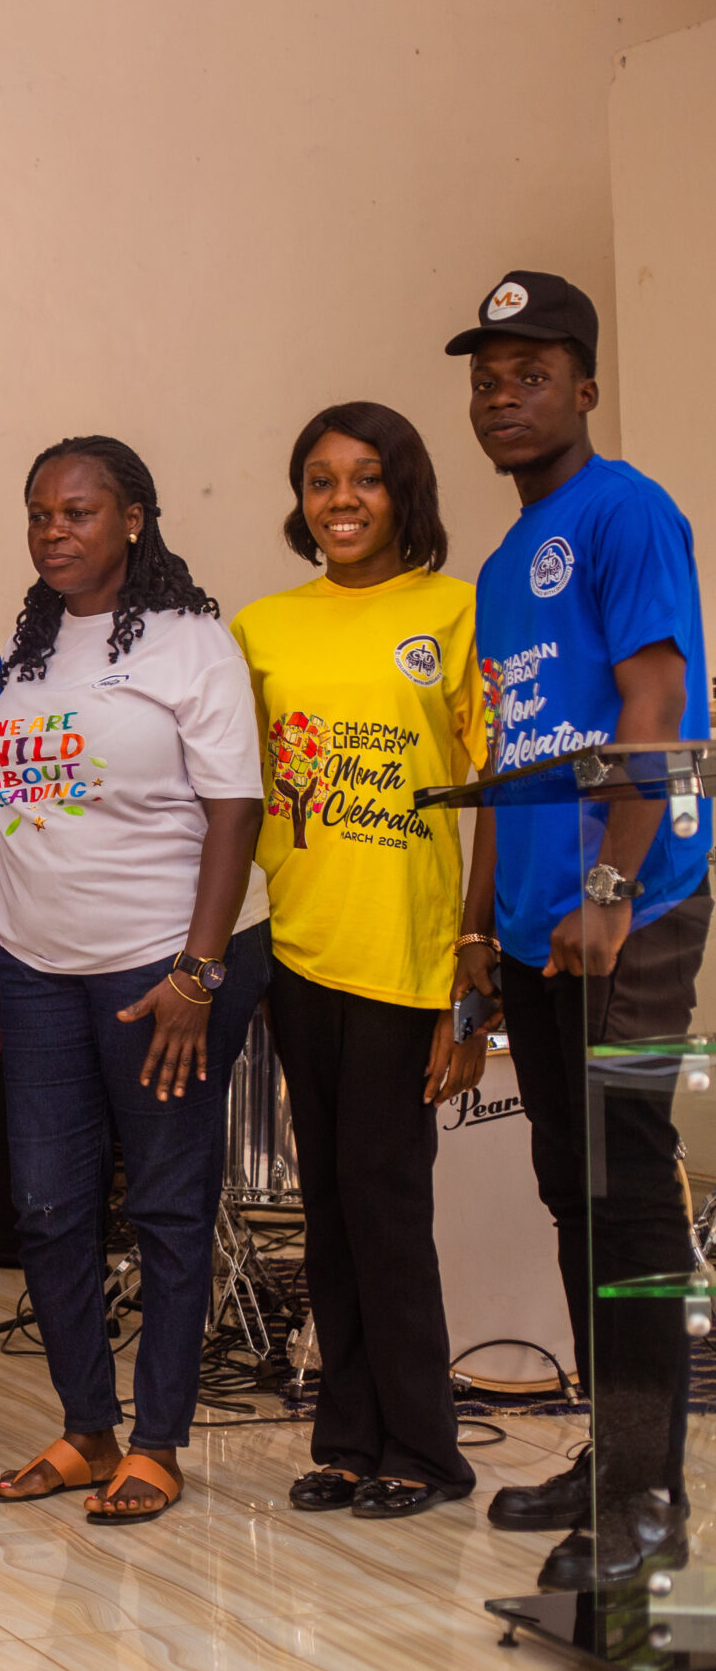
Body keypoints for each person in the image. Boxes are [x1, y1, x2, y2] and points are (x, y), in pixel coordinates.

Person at [446, 273, 711, 1589]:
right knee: (571, 1190)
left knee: (627, 1194)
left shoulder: (626, 510)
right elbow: (510, 755)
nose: (504, 396)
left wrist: (612, 883)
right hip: (542, 925)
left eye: (532, 374)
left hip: (631, 908)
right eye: (487, 378)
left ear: (585, 388)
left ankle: (649, 1502)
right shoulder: (502, 565)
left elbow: (655, 699)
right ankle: (614, 1458)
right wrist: (483, 938)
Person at [0, 435, 269, 1526]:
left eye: (79, 511)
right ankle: (87, 1430)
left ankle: (157, 1442)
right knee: (47, 1207)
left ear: (134, 519)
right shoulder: (32, 648)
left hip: (161, 969)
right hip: (38, 968)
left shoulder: (192, 642)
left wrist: (198, 970)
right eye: (39, 512)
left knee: (165, 1203)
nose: (53, 530)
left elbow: (236, 809)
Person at [232, 403, 485, 1520]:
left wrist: (471, 966)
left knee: (387, 1207)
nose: (341, 500)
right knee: (324, 1210)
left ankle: (424, 1450)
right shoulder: (260, 628)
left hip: (408, 958)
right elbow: (238, 798)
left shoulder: (455, 611)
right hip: (300, 951)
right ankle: (345, 1438)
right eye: (320, 480)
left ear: (404, 492)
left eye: (366, 478)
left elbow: (494, 800)